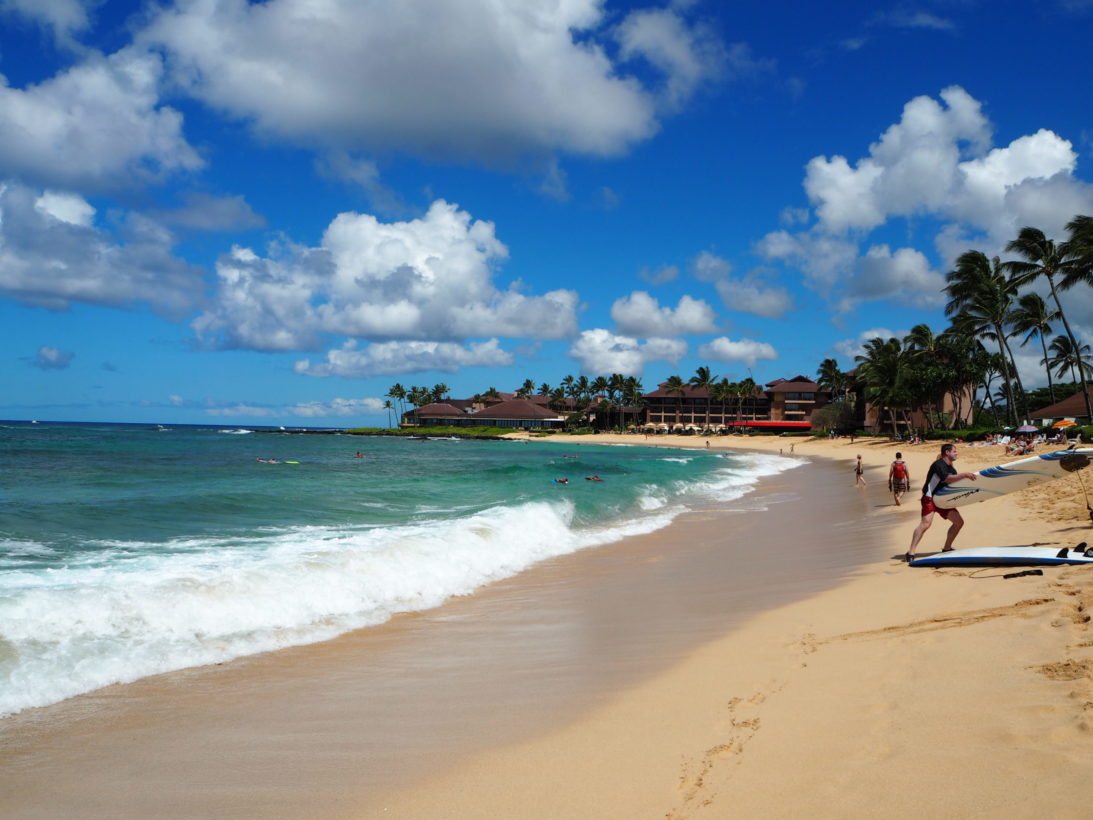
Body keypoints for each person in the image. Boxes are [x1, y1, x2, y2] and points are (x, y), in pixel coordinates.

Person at [906, 443, 978, 563]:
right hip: (930, 498)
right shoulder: (938, 464)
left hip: (944, 499)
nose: (957, 453)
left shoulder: (952, 468)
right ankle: (911, 552)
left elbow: (956, 484)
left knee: (958, 522)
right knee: (925, 524)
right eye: (955, 451)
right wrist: (964, 474)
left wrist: (976, 494)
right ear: (947, 452)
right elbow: (946, 479)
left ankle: (946, 548)